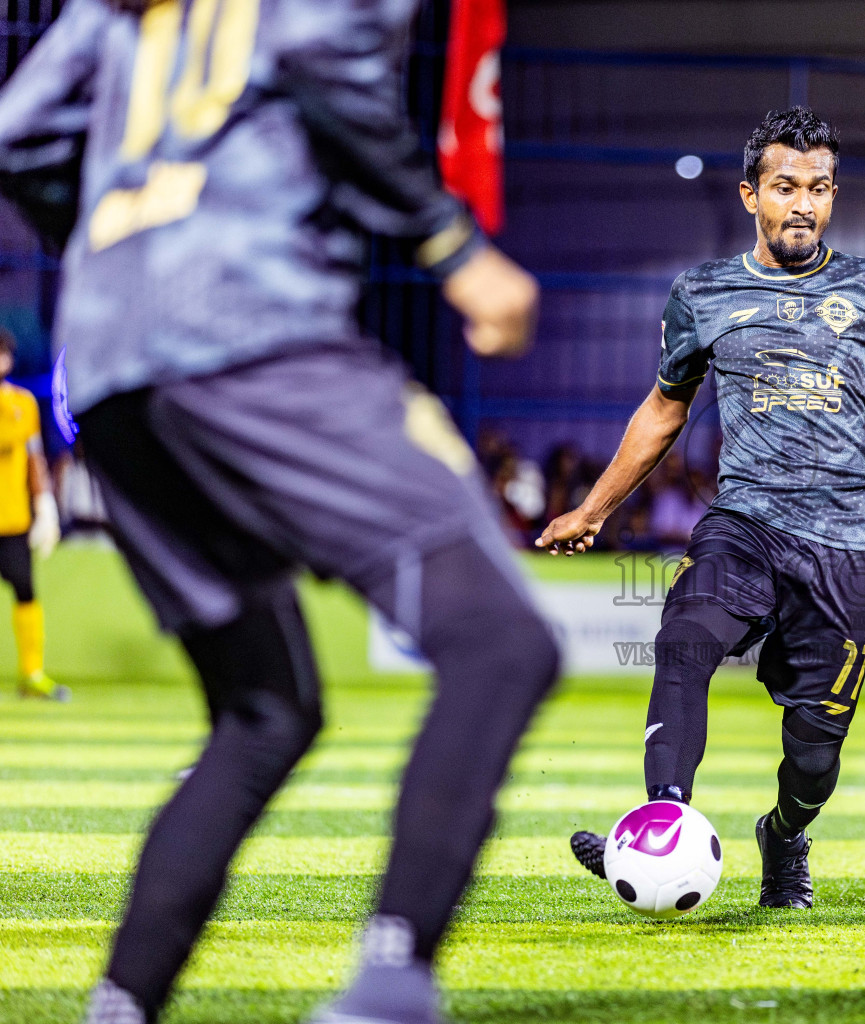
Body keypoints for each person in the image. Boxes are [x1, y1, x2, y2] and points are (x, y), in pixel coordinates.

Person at [0, 3, 560, 1023]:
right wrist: (453, 248)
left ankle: (119, 1009)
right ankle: (387, 994)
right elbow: (314, 50)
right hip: (252, 330)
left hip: (113, 369)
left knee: (264, 712)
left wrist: (119, 255)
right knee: (502, 642)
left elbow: (18, 130)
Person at [537, 106, 865, 908]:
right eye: (787, 187)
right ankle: (664, 827)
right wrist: (593, 510)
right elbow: (664, 410)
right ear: (750, 194)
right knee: (684, 640)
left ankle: (784, 835)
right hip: (746, 522)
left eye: (820, 189)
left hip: (848, 544)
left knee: (815, 756)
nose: (804, 204)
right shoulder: (703, 294)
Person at [0, 329, 63, 699]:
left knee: (25, 589)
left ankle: (32, 673)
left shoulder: (24, 402)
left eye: (4, 353)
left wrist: (45, 505)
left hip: (13, 518)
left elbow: (34, 455)